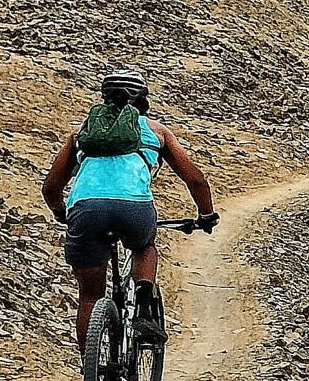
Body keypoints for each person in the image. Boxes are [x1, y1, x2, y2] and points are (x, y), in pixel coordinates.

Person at [42, 68, 219, 352]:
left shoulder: (82, 133)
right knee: (144, 246)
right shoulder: (156, 131)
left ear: (104, 97)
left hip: (85, 210)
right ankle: (145, 308)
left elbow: (51, 187)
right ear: (144, 100)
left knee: (89, 297)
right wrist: (206, 215)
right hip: (134, 207)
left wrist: (62, 212)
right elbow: (195, 179)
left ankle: (92, 378)